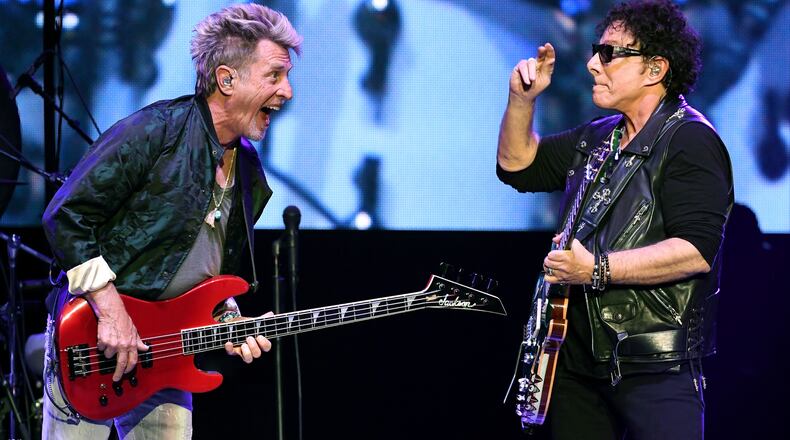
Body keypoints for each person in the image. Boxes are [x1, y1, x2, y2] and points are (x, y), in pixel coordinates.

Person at [40, 4, 302, 438]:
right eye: (274, 76)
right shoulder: (155, 132)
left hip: (165, 356)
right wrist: (112, 313)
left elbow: (214, 267)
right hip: (90, 341)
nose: (287, 91)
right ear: (226, 79)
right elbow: (65, 216)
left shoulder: (250, 169)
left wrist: (228, 317)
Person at [497, 1, 732, 439]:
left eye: (609, 53)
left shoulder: (690, 141)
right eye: (595, 51)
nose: (591, 64)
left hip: (653, 366)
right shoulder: (597, 137)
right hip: (577, 366)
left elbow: (697, 250)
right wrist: (521, 101)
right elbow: (518, 166)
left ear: (654, 69)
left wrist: (597, 269)